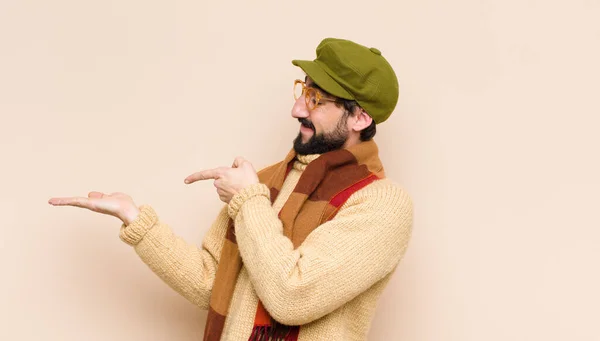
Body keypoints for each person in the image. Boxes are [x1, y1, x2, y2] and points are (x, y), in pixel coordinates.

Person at [48, 37, 414, 341]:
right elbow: (212, 282)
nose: (296, 109)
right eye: (303, 90)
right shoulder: (268, 180)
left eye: (316, 99)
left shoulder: (381, 203)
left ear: (360, 118)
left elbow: (292, 296)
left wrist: (248, 200)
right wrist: (136, 220)